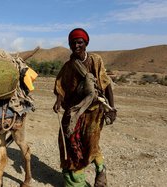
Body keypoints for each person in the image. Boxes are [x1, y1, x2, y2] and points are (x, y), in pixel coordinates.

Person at [53, 28, 117, 187]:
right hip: (74, 111)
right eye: (73, 43)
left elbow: (106, 84)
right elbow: (60, 86)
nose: (76, 45)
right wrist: (58, 101)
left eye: (79, 42)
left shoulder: (95, 60)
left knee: (90, 143)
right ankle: (76, 181)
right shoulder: (68, 66)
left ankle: (101, 170)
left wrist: (112, 108)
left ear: (86, 43)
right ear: (69, 45)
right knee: (69, 142)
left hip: (93, 112)